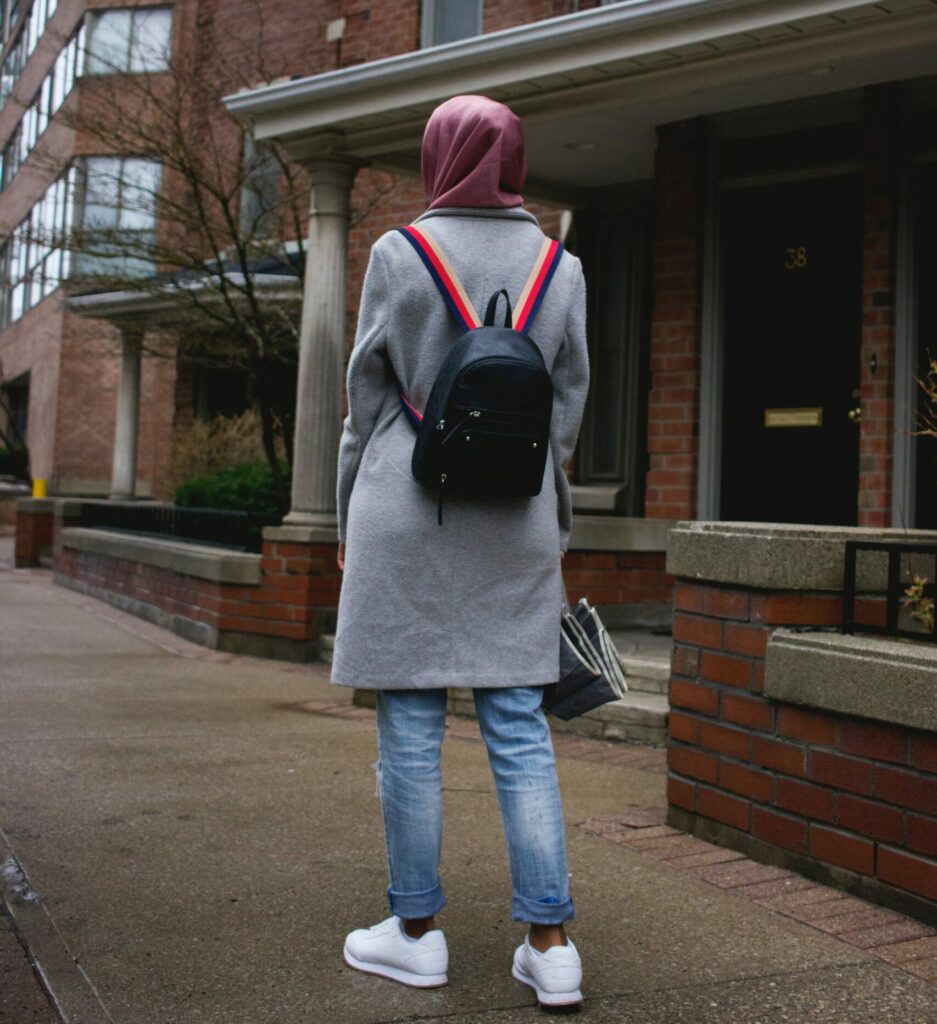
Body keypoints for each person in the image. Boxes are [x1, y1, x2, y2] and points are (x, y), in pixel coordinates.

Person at [330, 94, 590, 1010]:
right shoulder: (561, 266)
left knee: (409, 728)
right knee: (519, 730)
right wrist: (550, 531)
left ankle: (412, 935)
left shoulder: (398, 253)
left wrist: (343, 525)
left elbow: (365, 400)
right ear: (514, 158)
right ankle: (551, 945)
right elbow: (565, 416)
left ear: (440, 156)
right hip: (513, 522)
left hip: (405, 510)